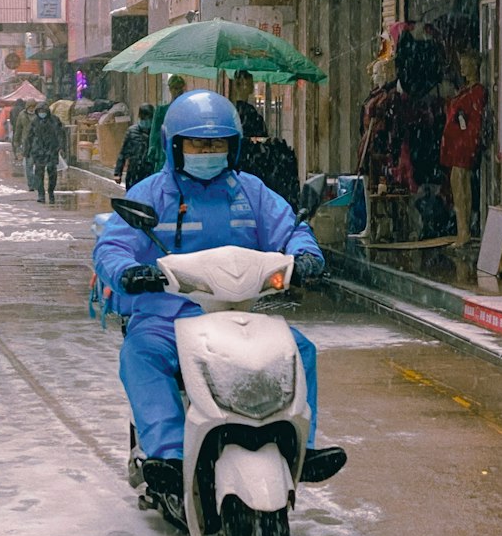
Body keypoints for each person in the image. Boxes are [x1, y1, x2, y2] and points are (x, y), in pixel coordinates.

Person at [93, 89, 347, 499]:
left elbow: (292, 229)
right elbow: (112, 246)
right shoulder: (151, 195)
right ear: (176, 146)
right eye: (197, 143)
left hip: (241, 310)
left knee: (299, 350)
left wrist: (305, 256)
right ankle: (169, 457)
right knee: (141, 356)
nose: (207, 151)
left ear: (233, 147)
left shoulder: (251, 192)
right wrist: (128, 272)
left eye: (217, 144)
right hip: (168, 317)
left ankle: (304, 445)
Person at [229, 69, 300, 211]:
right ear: (242, 84)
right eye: (250, 83)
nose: (252, 87)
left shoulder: (233, 113)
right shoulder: (245, 114)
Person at [440, 50, 486, 246]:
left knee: (461, 185)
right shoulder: (467, 90)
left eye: (467, 64)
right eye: (463, 64)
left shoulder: (476, 92)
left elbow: (474, 121)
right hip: (458, 144)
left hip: (464, 145)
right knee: (457, 184)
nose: (463, 68)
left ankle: (464, 231)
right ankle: (462, 230)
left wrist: (468, 139)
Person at [25, 101, 65, 203]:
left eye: (44, 111)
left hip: (52, 150)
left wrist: (62, 147)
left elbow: (61, 134)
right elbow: (29, 137)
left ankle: (51, 192)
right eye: (40, 111)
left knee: (52, 173)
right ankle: (41, 194)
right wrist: (27, 150)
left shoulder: (54, 121)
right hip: (38, 151)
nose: (42, 113)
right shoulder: (34, 122)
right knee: (39, 173)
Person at [147, 74, 187, 171]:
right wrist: (152, 149)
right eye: (175, 88)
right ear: (170, 89)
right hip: (165, 153)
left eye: (180, 88)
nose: (178, 91)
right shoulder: (161, 111)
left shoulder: (188, 110)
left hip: (184, 151)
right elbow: (155, 134)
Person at [114, 104, 156, 190]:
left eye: (149, 118)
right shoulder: (131, 132)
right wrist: (118, 173)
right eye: (144, 118)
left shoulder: (156, 134)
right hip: (133, 173)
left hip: (150, 174)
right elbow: (123, 153)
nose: (146, 121)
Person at [11, 103, 34, 187]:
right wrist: (16, 142)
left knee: (38, 165)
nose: (32, 109)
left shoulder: (38, 113)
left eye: (33, 107)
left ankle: (35, 182)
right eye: (30, 107)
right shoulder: (22, 115)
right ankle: (31, 183)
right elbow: (18, 128)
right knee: (29, 163)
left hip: (38, 142)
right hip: (26, 142)